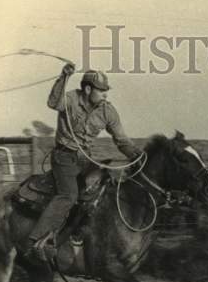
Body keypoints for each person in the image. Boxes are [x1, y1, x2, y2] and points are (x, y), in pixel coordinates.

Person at [23, 65, 141, 263]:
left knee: (104, 189)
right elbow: (53, 102)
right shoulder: (70, 99)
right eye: (101, 90)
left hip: (86, 159)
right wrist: (64, 77)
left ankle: (84, 236)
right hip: (64, 157)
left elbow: (121, 140)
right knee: (68, 195)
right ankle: (34, 241)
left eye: (106, 91)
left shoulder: (108, 111)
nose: (105, 94)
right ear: (87, 89)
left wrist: (138, 155)